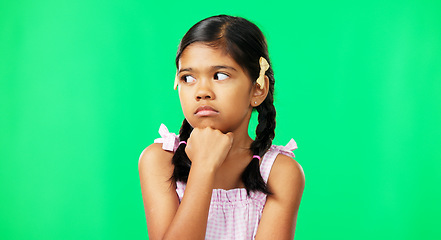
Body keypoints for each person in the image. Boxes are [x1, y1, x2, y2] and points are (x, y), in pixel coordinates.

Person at [138, 15, 305, 240]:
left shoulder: (279, 173)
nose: (201, 91)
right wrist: (203, 167)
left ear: (257, 88)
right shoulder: (159, 161)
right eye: (188, 78)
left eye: (220, 75)